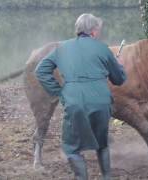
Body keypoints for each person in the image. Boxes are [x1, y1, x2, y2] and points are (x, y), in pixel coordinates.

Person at [35, 14, 126, 180]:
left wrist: (59, 91)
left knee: (71, 148)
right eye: (98, 29)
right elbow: (119, 80)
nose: (98, 32)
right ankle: (107, 177)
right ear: (93, 31)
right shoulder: (102, 48)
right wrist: (118, 66)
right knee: (102, 143)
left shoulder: (62, 48)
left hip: (75, 102)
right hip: (101, 102)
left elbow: (40, 71)